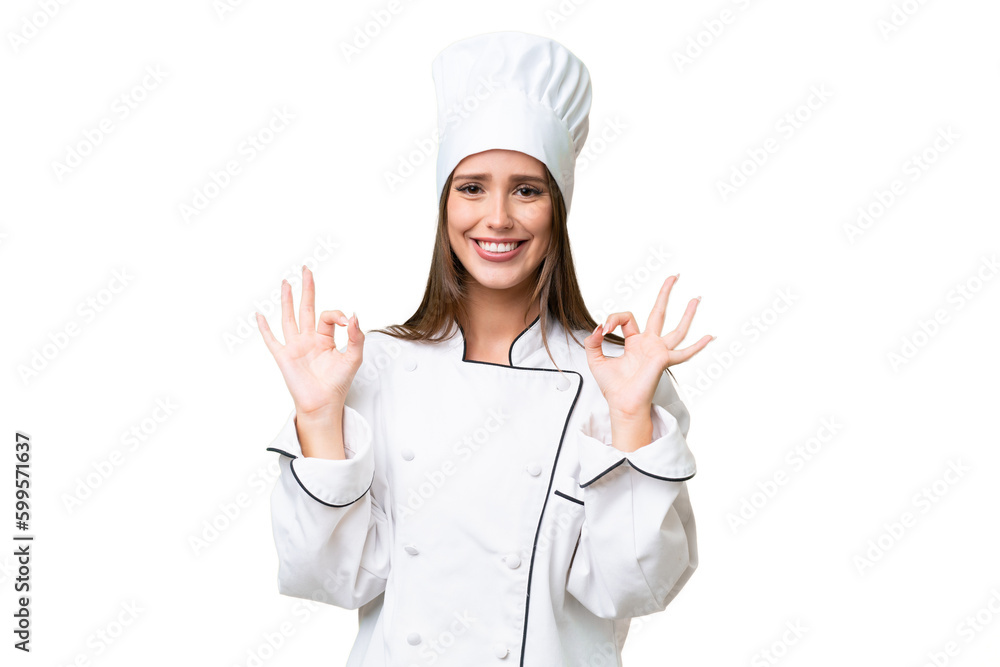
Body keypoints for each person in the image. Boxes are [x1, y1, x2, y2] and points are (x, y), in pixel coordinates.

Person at [256, 30, 712, 666]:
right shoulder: (374, 368)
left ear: (559, 206)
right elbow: (327, 576)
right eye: (472, 187)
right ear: (444, 205)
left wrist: (632, 418)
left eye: (527, 189)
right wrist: (317, 417)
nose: (497, 217)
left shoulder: (615, 375)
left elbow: (635, 586)